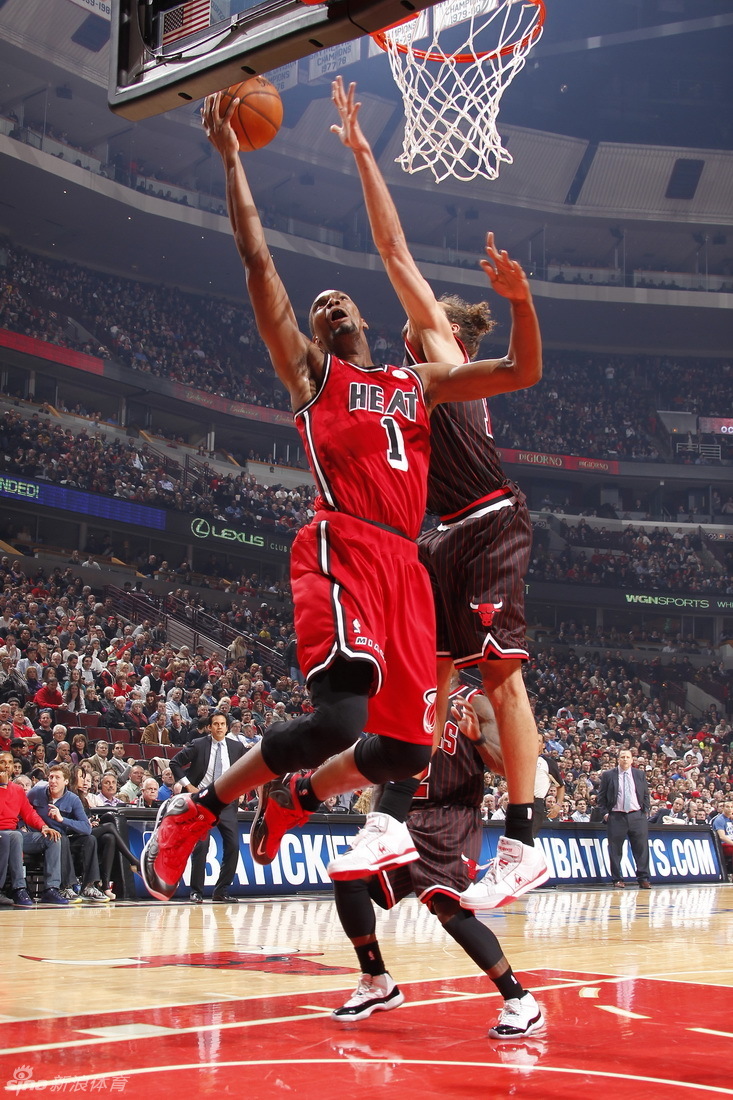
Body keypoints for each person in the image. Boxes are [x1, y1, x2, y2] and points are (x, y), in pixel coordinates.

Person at [141, 90, 537, 905]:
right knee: (337, 722)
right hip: (340, 545)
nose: (326, 303)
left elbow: (520, 372)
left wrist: (522, 304)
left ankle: (295, 797)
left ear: (359, 314)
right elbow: (259, 265)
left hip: (407, 567)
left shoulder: (413, 379)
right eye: (316, 307)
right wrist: (231, 161)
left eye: (336, 299)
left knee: (404, 755)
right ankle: (198, 809)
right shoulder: (313, 375)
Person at [327, 78, 545, 909]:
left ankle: (523, 841)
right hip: (442, 535)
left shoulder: (440, 354)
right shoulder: (404, 385)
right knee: (429, 682)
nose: (403, 323)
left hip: (487, 518)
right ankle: (389, 813)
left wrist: (361, 156)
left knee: (499, 679)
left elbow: (394, 253)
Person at [331, 687, 544, 1039]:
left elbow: (509, 767)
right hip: (406, 817)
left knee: (449, 908)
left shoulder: (475, 700)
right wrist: (379, 822)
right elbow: (389, 770)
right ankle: (376, 979)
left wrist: (476, 738)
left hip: (452, 816)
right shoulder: (404, 695)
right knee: (350, 874)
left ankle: (520, 999)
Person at [169, 713, 247, 903]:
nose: (219, 727)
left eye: (222, 724)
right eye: (215, 724)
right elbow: (175, 763)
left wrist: (243, 789)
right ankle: (196, 891)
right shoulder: (199, 744)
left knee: (233, 846)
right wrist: (188, 786)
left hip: (227, 802)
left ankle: (222, 891)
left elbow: (247, 770)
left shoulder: (237, 747)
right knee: (202, 845)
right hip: (202, 801)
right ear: (210, 727)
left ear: (227, 727)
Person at [27, 763, 109, 902]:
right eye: (51, 777)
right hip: (42, 837)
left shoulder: (73, 799)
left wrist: (62, 819)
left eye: (57, 778)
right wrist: (23, 826)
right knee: (61, 838)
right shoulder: (36, 792)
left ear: (66, 781)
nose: (53, 781)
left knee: (90, 839)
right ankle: (66, 886)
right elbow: (23, 810)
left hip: (62, 838)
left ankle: (89, 886)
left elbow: (86, 828)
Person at [0, 750, 67, 907]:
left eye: (9, 763)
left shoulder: (17, 790)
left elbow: (29, 813)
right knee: (15, 836)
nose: (6, 766)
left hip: (14, 835)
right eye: (2, 762)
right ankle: (19, 888)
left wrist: (44, 827)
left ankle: (51, 888)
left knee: (52, 838)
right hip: (3, 834)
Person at [597, 749, 651, 888]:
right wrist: (605, 813)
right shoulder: (609, 775)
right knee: (615, 850)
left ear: (632, 760)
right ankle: (617, 879)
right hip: (616, 816)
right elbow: (601, 797)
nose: (625, 759)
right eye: (622, 757)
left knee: (641, 849)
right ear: (618, 759)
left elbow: (645, 794)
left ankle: (643, 878)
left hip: (636, 815)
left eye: (628, 757)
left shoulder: (639, 774)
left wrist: (644, 811)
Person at [711, 799, 733, 878]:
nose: (730, 809)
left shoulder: (731, 819)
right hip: (723, 845)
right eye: (727, 807)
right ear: (723, 808)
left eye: (731, 807)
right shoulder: (719, 820)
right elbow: (722, 836)